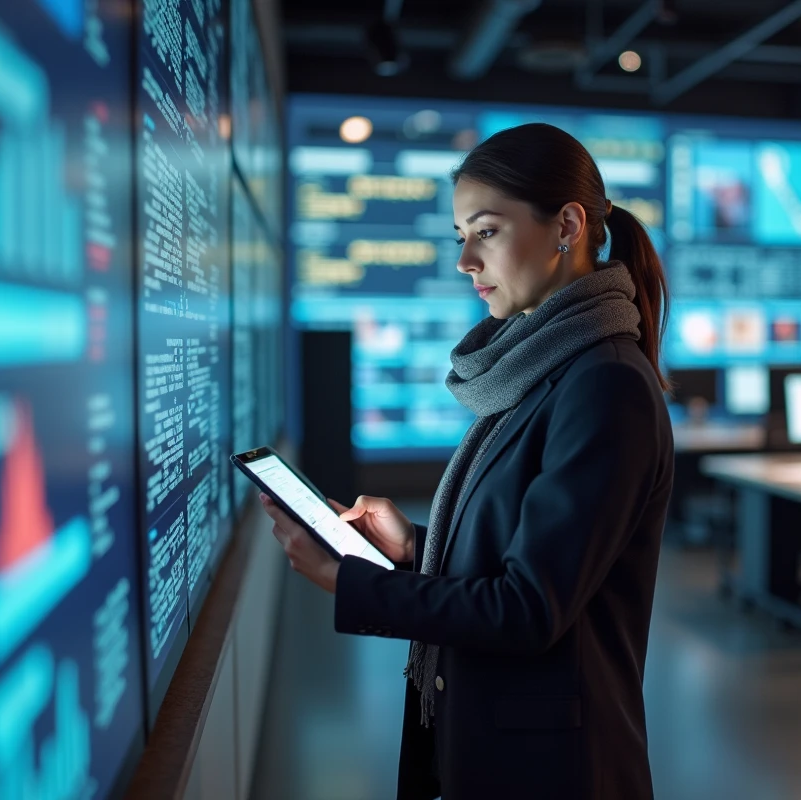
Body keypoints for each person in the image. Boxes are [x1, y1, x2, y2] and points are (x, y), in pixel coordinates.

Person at [260, 122, 675, 800]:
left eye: (486, 231)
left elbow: (527, 608)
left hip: (558, 773)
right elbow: (521, 559)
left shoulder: (604, 385)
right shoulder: (539, 370)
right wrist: (411, 548)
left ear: (566, 225)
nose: (465, 263)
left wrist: (351, 583)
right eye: (461, 237)